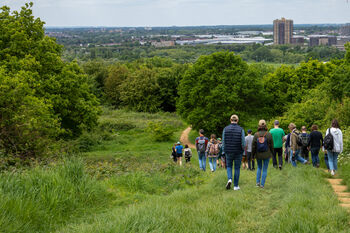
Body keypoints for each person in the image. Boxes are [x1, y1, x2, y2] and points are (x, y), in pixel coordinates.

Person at [222, 114, 246, 191]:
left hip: (228, 151)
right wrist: (243, 150)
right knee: (237, 168)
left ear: (230, 120)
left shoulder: (225, 129)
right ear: (237, 120)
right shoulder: (241, 129)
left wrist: (223, 151)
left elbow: (223, 141)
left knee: (229, 166)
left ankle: (229, 179)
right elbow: (243, 142)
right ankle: (236, 186)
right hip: (238, 151)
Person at [252, 120, 273, 188]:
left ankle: (257, 183)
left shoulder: (256, 134)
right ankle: (262, 184)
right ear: (265, 126)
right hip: (266, 154)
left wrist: (253, 155)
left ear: (259, 126)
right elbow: (272, 145)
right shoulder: (269, 134)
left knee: (259, 167)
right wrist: (272, 154)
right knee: (265, 169)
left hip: (258, 154)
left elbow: (253, 146)